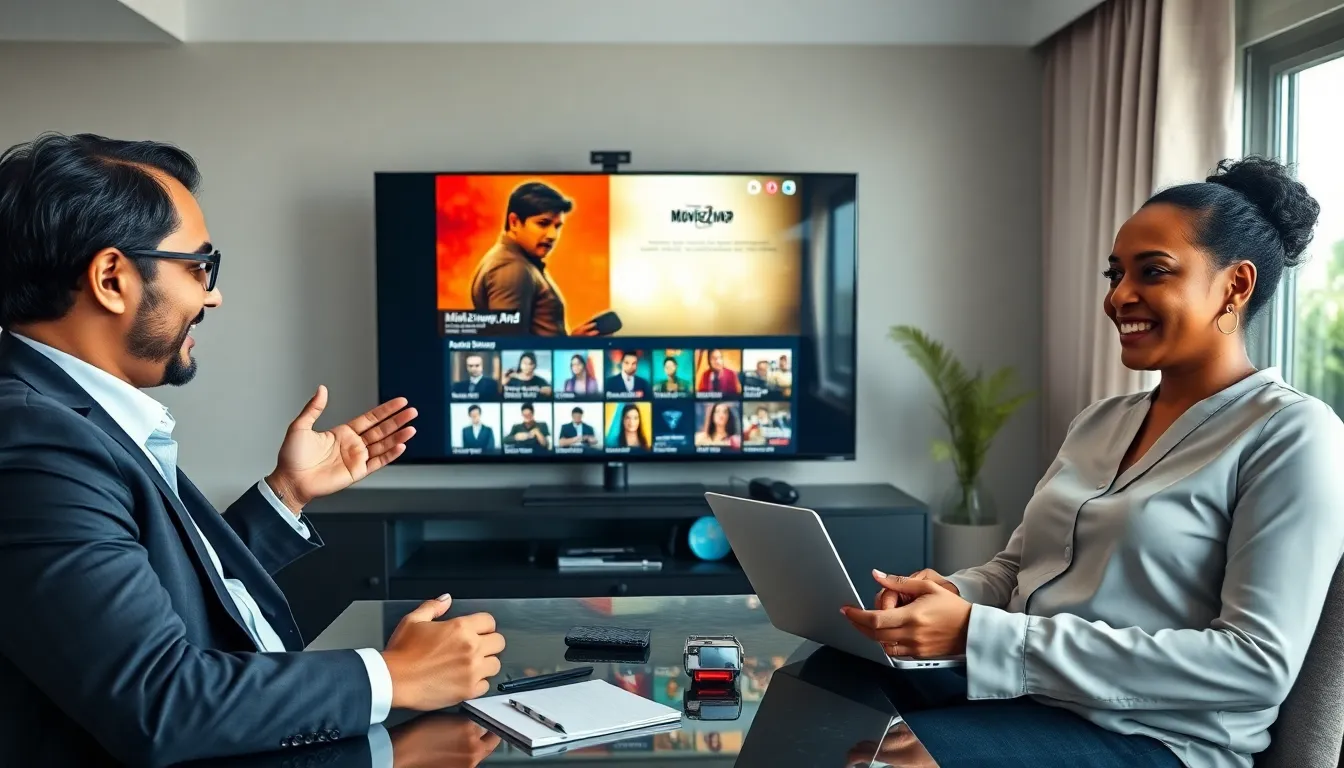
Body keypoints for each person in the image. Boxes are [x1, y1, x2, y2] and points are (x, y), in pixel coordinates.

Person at [0, 133, 507, 767]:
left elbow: (153, 584)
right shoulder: (36, 447)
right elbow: (159, 703)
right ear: (111, 279)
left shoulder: (64, 418)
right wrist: (391, 676)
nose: (212, 295)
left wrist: (286, 495)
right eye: (198, 267)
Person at [841, 157, 1344, 768]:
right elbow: (1019, 570)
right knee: (827, 682)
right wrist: (948, 593)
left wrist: (979, 632)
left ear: (1235, 285)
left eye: (1153, 272)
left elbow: (1254, 666)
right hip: (1029, 696)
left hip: (1155, 742)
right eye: (1114, 274)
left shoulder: (1293, 434)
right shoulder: (1102, 419)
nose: (1118, 297)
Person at [468, 181, 609, 337]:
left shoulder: (518, 260)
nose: (552, 235)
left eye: (557, 226)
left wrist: (572, 341)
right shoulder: (512, 269)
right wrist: (570, 347)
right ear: (514, 222)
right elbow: (511, 351)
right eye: (543, 223)